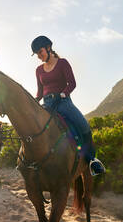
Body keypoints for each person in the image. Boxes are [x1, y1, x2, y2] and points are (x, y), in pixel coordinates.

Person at [32, 35, 105, 176]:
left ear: (48, 48)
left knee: (83, 125)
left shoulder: (63, 63)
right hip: (46, 104)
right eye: (37, 54)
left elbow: (72, 83)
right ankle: (28, 161)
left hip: (63, 102)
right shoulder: (39, 70)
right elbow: (40, 92)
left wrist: (62, 94)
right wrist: (35, 101)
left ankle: (92, 160)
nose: (39, 56)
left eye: (40, 52)